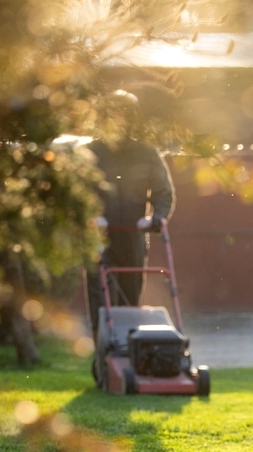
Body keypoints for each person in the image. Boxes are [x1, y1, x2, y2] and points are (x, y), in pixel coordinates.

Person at [85, 90, 176, 338]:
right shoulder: (90, 152)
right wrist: (90, 216)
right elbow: (78, 191)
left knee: (131, 299)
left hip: (133, 236)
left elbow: (163, 192)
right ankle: (104, 357)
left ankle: (130, 350)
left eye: (124, 115)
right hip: (98, 237)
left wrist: (156, 219)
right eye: (112, 114)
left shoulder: (146, 153)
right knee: (102, 299)